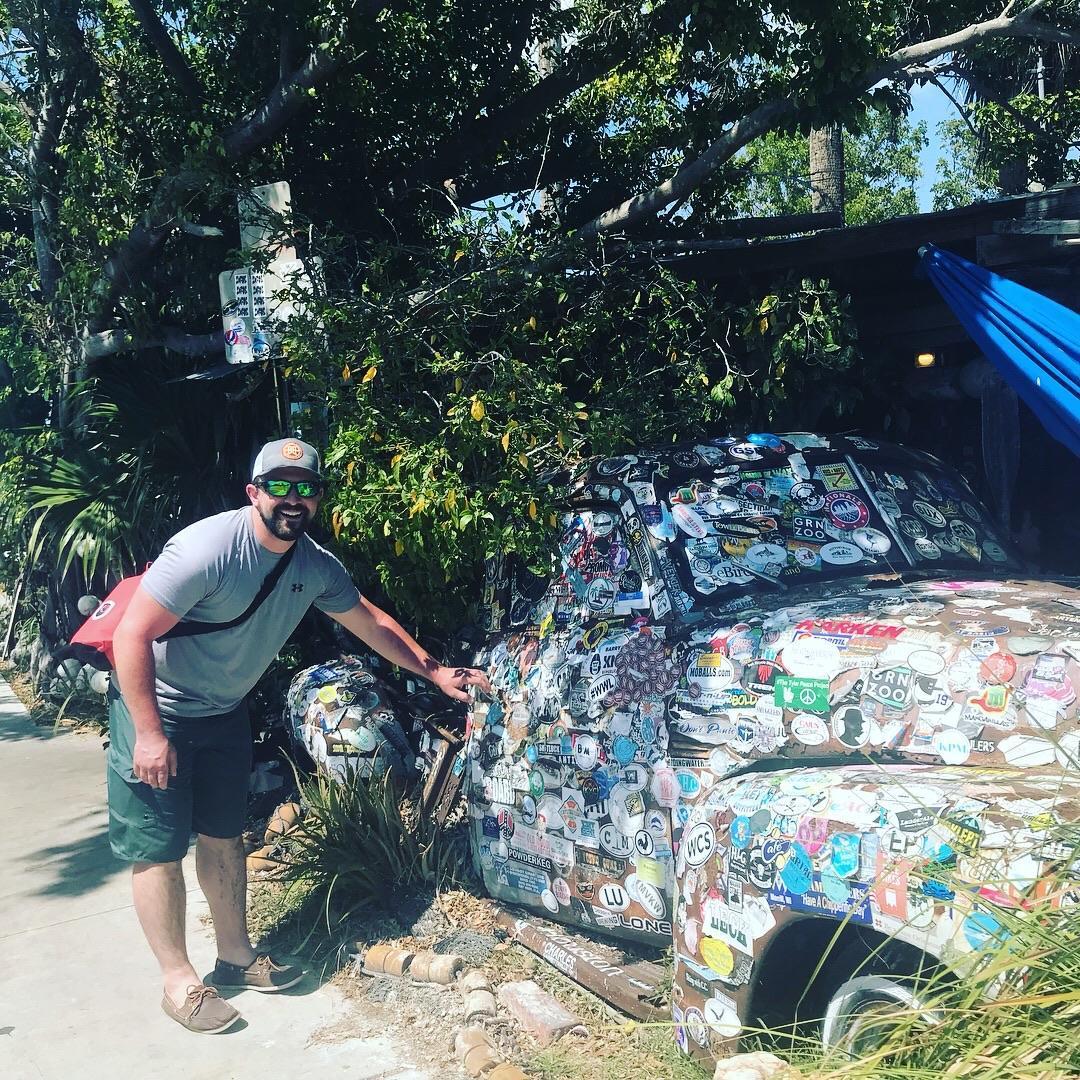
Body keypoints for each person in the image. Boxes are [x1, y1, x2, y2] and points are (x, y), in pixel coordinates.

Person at [109, 437, 491, 1034]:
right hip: (158, 707)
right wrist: (150, 734)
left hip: (224, 711)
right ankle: (179, 980)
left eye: (306, 488)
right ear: (253, 491)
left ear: (317, 498)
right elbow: (131, 637)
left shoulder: (313, 565)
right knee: (157, 848)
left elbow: (372, 623)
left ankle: (235, 957)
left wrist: (434, 670)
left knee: (224, 836)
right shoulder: (206, 550)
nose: (293, 498)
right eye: (280, 486)